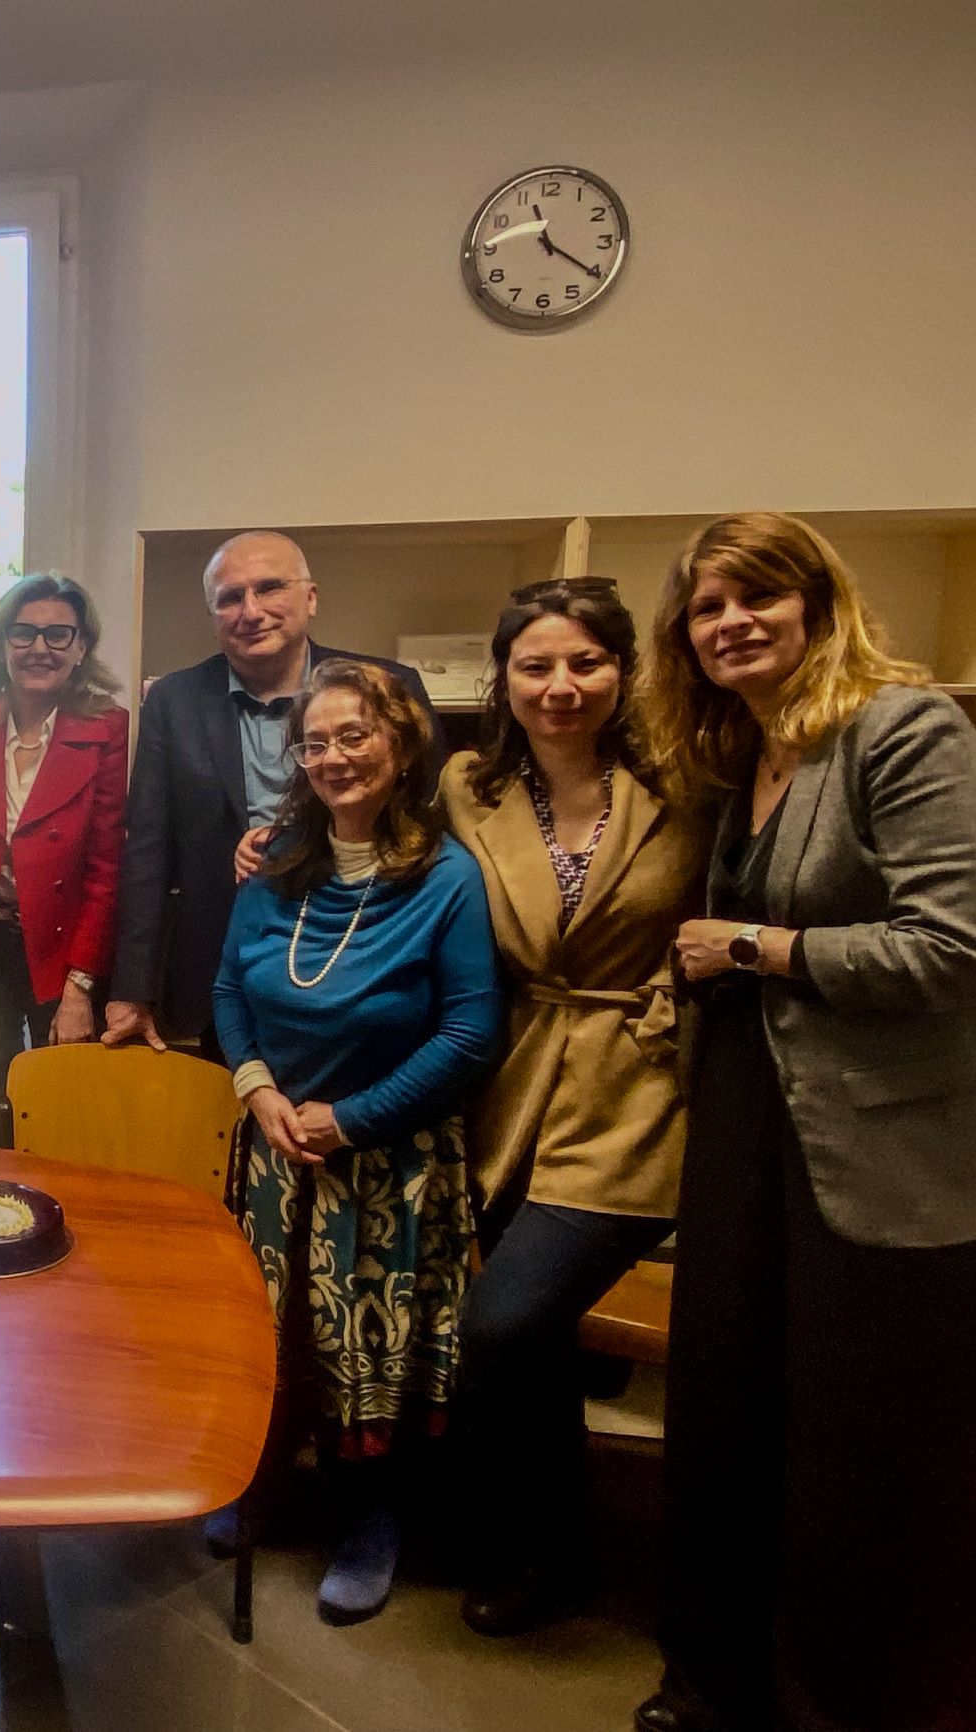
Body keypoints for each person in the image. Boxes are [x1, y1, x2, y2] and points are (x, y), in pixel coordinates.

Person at [635, 513, 976, 1732]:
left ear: (817, 603)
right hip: (745, 1125)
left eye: (757, 597)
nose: (730, 622)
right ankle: (714, 1680)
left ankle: (841, 1704)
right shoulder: (741, 753)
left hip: (883, 1152)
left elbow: (953, 950)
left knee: (862, 1457)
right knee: (726, 1416)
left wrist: (753, 946)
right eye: (705, 607)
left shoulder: (903, 728)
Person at [438, 579, 701, 1637]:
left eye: (584, 663)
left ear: (623, 671)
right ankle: (551, 1552)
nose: (559, 686)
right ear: (502, 679)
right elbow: (392, 860)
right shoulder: (469, 785)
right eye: (534, 665)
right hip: (510, 1090)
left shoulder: (689, 776)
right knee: (534, 1341)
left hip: (640, 1088)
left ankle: (546, 1543)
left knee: (502, 1322)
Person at [212, 658, 499, 1625]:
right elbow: (228, 989)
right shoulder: (275, 863)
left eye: (354, 735)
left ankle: (371, 1514)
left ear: (401, 744)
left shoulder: (445, 876)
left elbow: (470, 1033)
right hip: (275, 1149)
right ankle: (262, 1480)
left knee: (370, 1346)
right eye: (315, 743)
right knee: (272, 1329)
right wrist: (256, 1089)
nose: (334, 757)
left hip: (387, 1161)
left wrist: (351, 1117)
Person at [107, 531, 440, 1056]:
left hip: (368, 952)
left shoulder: (385, 686)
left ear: (310, 597)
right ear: (213, 615)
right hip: (225, 968)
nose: (251, 611)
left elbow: (427, 817)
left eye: (269, 588)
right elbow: (147, 849)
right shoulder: (174, 700)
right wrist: (131, 987)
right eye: (230, 598)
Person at [0, 574, 128, 1147]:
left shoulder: (106, 727)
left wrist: (80, 988)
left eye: (57, 634)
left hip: (62, 953)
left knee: (59, 1107)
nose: (39, 647)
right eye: (23, 633)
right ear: (1, 644)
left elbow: (106, 870)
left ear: (81, 647)